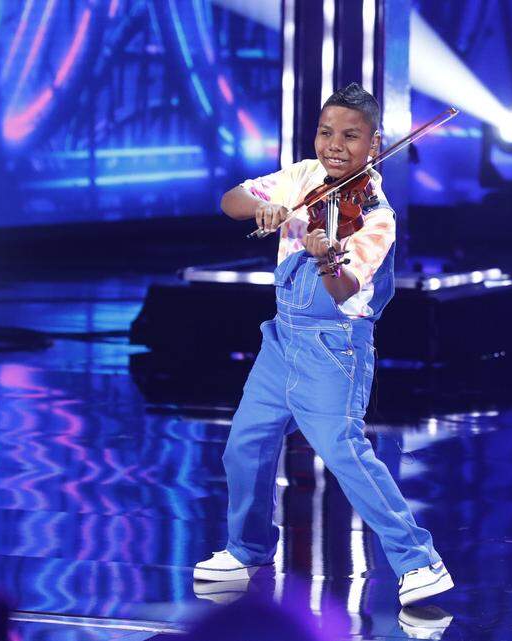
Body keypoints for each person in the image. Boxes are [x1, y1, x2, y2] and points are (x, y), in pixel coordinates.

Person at [193, 83, 452, 606]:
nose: (334, 145)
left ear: (374, 145)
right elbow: (230, 203)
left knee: (345, 453)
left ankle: (419, 561)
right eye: (325, 132)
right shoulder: (305, 178)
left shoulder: (377, 217)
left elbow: (343, 290)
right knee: (245, 445)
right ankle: (248, 548)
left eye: (350, 136)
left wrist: (327, 255)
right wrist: (269, 207)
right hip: (281, 339)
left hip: (334, 347)